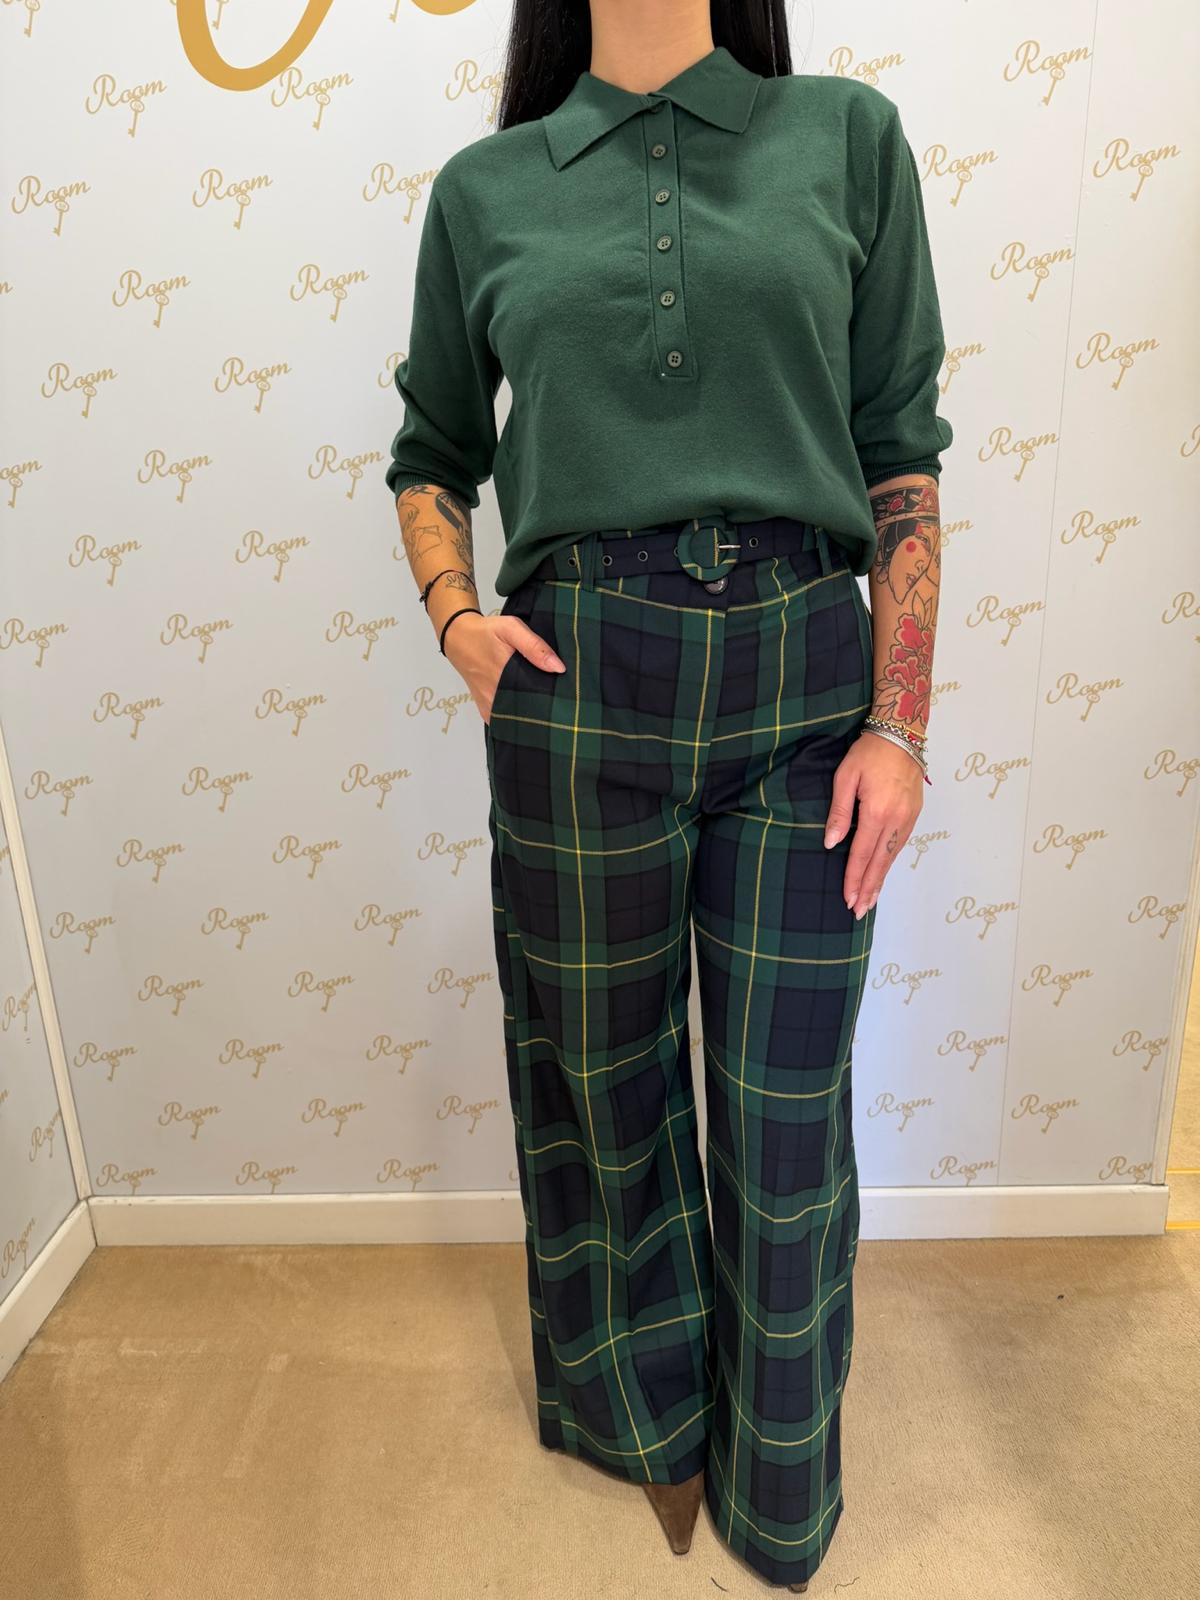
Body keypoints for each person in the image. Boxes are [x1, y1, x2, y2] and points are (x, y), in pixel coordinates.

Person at [385, 2, 951, 1589]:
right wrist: (458, 621)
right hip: (578, 681)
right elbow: (431, 450)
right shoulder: (487, 188)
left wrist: (900, 723)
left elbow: (901, 453)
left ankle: (779, 1488)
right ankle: (645, 1424)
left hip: (805, 679)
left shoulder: (845, 138)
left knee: (784, 1114)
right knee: (603, 1088)